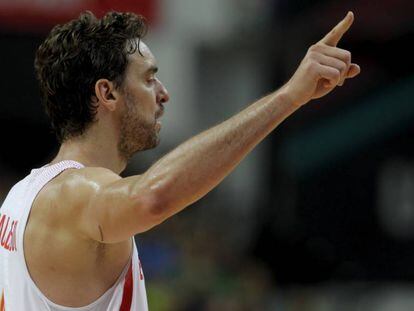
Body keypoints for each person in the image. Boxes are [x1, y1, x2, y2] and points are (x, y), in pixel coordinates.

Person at [0, 10, 360, 310]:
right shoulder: (75, 193)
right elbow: (153, 197)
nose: (164, 94)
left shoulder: (20, 196)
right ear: (107, 92)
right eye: (149, 78)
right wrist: (288, 97)